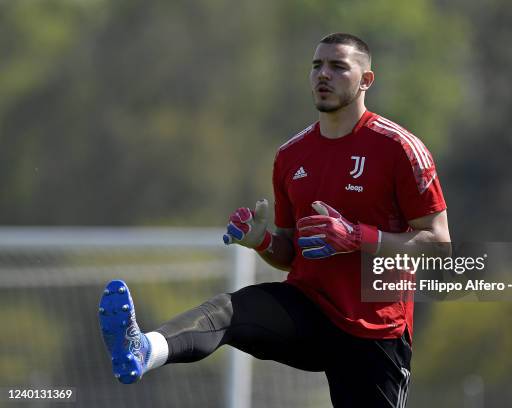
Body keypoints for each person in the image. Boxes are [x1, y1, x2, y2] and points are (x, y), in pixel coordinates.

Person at [98, 32, 450, 407]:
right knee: (228, 312)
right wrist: (262, 240)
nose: (322, 75)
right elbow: (289, 252)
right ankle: (144, 348)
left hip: (374, 327)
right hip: (307, 308)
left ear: (366, 80)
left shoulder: (398, 148)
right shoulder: (291, 155)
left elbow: (439, 245)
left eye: (337, 66)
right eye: (316, 66)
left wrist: (355, 235)